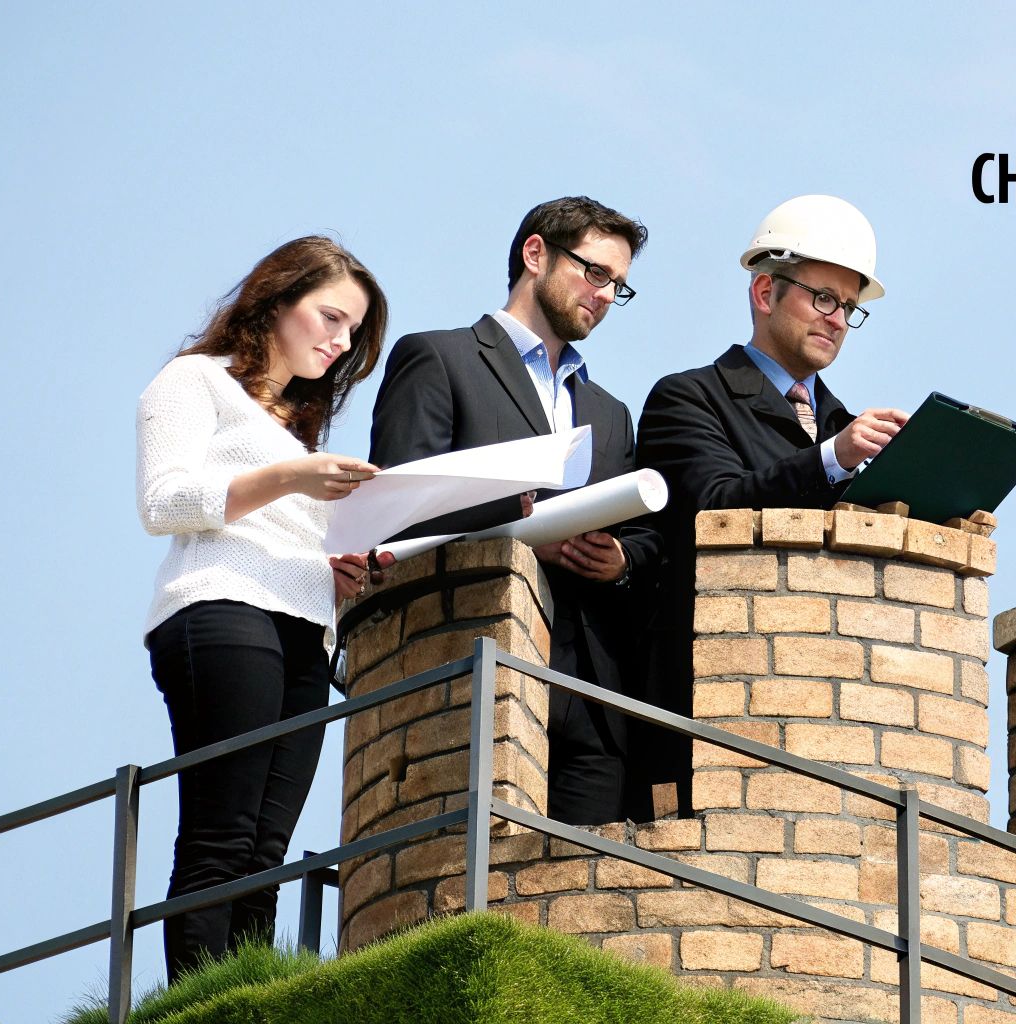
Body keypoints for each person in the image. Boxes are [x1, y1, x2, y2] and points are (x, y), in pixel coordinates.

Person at [137, 236, 389, 981]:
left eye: (352, 332)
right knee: (222, 835)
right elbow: (162, 503)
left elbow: (288, 531)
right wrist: (290, 478)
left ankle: (247, 1000)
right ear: (276, 299)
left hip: (305, 631)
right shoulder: (195, 380)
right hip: (222, 609)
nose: (340, 342)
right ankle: (194, 1006)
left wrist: (338, 568)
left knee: (265, 853)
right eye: (331, 317)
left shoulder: (296, 429)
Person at [369, 197, 659, 825]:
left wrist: (620, 560)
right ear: (535, 254)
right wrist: (518, 530)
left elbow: (645, 537)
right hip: (473, 661)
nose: (606, 295)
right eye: (595, 272)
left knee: (586, 879)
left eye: (619, 285)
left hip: (593, 692)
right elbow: (393, 509)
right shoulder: (439, 359)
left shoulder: (610, 414)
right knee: (479, 867)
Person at [634, 195, 908, 811]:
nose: (839, 320)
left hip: (829, 710)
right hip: (708, 710)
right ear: (765, 293)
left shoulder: (841, 427)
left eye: (850, 308)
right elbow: (715, 506)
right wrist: (831, 458)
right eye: (824, 298)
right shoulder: (690, 398)